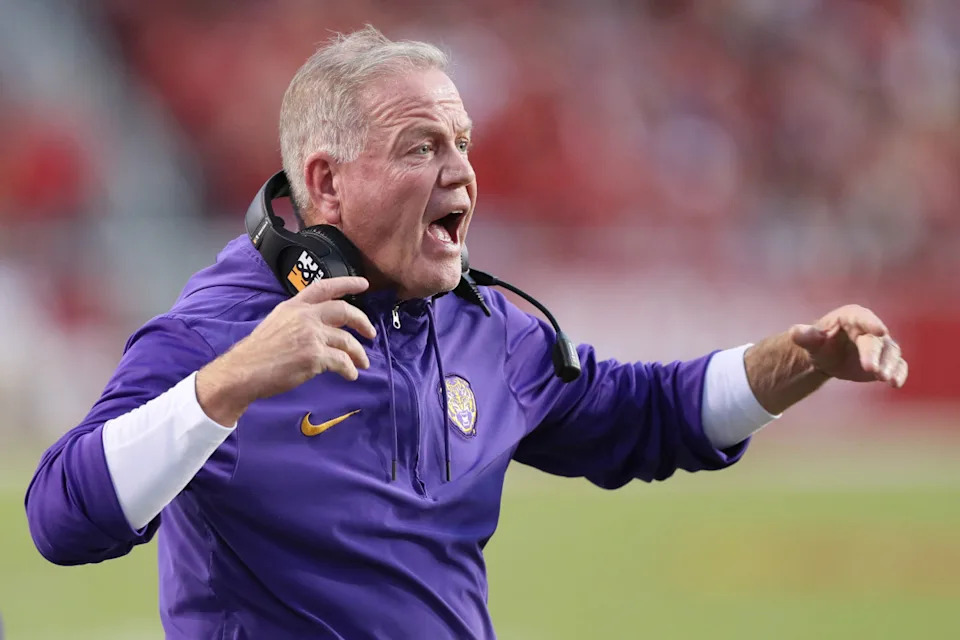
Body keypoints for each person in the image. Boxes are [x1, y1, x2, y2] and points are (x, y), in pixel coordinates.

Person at [25, 26, 908, 640]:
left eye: (463, 142)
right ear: (326, 186)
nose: (463, 173)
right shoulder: (219, 330)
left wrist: (803, 358)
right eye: (421, 148)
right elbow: (60, 519)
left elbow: (648, 416)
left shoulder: (489, 329)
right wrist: (226, 387)